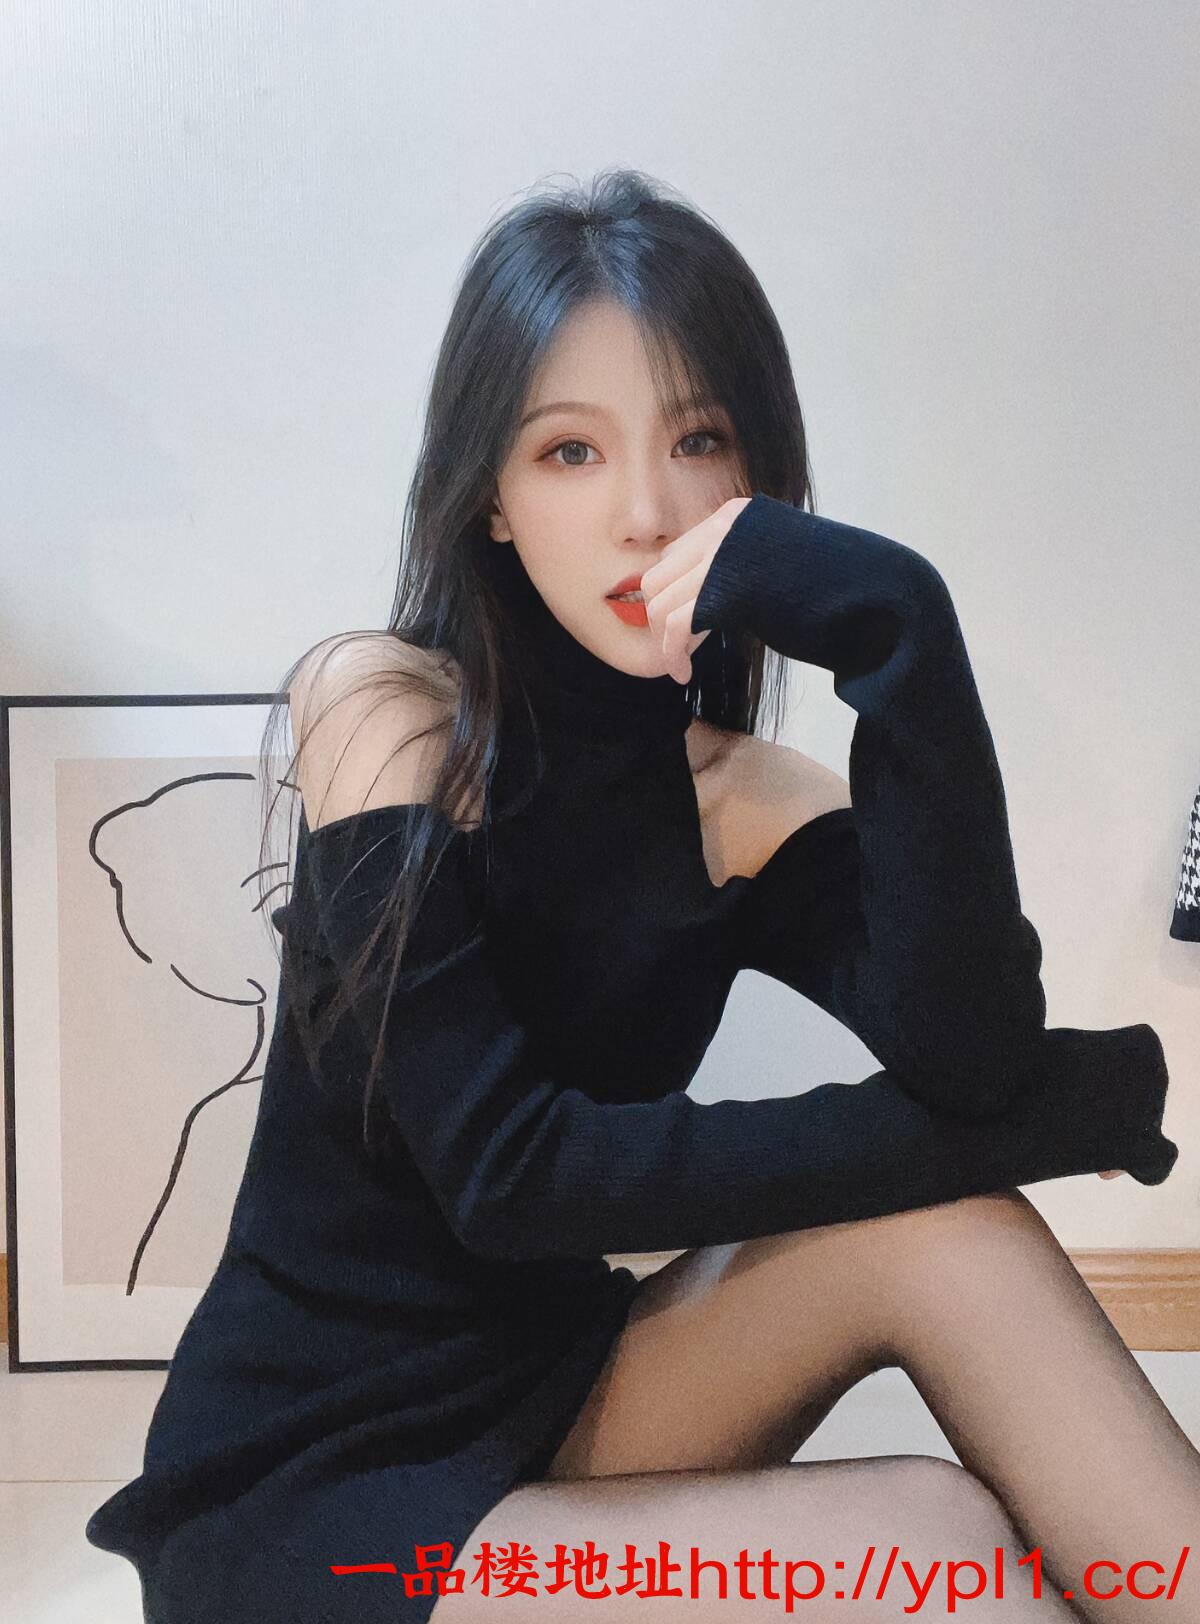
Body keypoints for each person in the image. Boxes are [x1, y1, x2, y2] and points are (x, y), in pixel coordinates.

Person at [85, 169, 1197, 1622]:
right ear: (490, 496)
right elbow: (512, 1180)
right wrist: (1060, 1115)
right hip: (311, 1487)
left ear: (759, 483)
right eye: (569, 452)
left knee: (954, 1227)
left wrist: (905, 634)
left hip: (558, 1387)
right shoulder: (384, 714)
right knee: (936, 1542)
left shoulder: (745, 797)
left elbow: (969, 1058)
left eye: (698, 440)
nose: (644, 512)